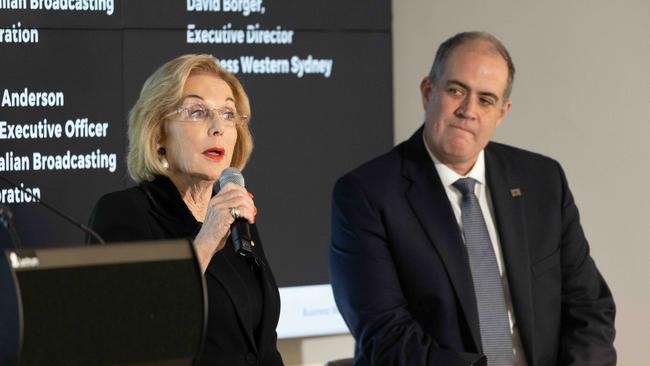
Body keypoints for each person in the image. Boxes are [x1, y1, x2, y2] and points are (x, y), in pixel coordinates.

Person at [330, 32, 616, 366]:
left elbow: (589, 307)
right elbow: (387, 335)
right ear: (427, 92)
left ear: (502, 112)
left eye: (486, 100)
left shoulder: (543, 181)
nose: (468, 110)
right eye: (456, 90)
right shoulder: (367, 194)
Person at [88, 54, 284, 366]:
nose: (218, 127)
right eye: (197, 112)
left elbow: (261, 346)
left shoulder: (234, 212)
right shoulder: (125, 214)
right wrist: (206, 240)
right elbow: (132, 337)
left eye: (228, 114)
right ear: (158, 133)